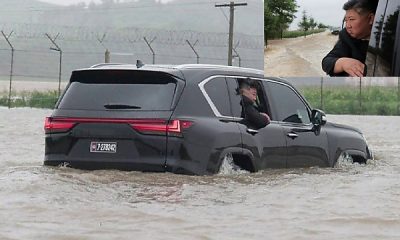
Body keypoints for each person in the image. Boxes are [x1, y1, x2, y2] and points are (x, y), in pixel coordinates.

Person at [322, 0, 378, 77]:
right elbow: (326, 62)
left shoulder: (388, 39)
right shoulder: (346, 37)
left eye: (351, 19)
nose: (348, 26)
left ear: (371, 19)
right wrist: (342, 63)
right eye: (346, 20)